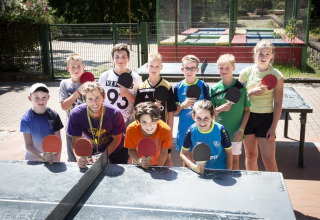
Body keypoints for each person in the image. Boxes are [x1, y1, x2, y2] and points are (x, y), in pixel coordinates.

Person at [239, 39, 284, 172]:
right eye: (260, 53)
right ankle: (253, 188)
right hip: (247, 117)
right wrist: (252, 92)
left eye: (267, 54)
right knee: (251, 156)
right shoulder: (246, 73)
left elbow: (278, 103)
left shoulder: (277, 75)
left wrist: (273, 127)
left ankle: (275, 190)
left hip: (266, 119)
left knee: (269, 160)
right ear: (254, 53)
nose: (263, 57)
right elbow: (236, 97)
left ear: (272, 56)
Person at [67, 82, 128, 168]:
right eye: (90, 99)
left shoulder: (115, 114)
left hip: (117, 149)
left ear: (103, 98)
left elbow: (117, 140)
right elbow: (76, 142)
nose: (94, 102)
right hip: (95, 149)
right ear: (85, 100)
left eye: (97, 97)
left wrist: (104, 157)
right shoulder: (76, 114)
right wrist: (79, 157)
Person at [134, 52, 177, 166]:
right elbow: (137, 111)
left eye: (157, 66)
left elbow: (171, 111)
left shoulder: (167, 86)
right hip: (146, 129)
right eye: (151, 66)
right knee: (147, 156)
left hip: (162, 129)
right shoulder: (141, 87)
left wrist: (170, 131)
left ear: (161, 67)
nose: (154, 68)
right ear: (147, 66)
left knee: (167, 157)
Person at [210, 54, 251, 170]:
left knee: (235, 162)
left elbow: (247, 111)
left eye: (227, 68)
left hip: (236, 133)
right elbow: (210, 114)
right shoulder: (214, 89)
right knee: (220, 160)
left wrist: (241, 129)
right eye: (221, 68)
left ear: (233, 68)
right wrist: (220, 108)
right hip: (219, 132)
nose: (224, 71)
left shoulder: (241, 88)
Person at [180, 100, 232, 173]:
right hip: (201, 171)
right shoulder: (191, 131)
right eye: (199, 118)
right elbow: (183, 153)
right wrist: (194, 167)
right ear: (193, 117)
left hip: (220, 171)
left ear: (212, 117)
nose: (202, 122)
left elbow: (229, 153)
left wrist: (228, 172)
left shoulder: (221, 130)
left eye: (206, 118)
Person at [173, 55, 210, 154]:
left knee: (198, 158)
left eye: (192, 68)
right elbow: (174, 111)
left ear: (197, 69)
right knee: (185, 159)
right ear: (182, 69)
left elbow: (210, 110)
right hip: (184, 128)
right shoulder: (177, 87)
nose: (189, 71)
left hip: (200, 128)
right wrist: (183, 105)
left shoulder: (204, 86)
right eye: (187, 68)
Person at [99, 43, 142, 127]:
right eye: (117, 56)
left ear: (129, 59)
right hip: (108, 120)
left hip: (129, 121)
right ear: (112, 59)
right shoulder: (104, 76)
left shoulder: (136, 78)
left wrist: (127, 94)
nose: (120, 60)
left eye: (123, 56)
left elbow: (140, 102)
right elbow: (99, 99)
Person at [20, 83, 64, 163]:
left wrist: (57, 160)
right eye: (37, 97)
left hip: (51, 158)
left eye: (44, 97)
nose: (41, 100)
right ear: (30, 98)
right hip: (32, 159)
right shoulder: (26, 119)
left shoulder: (54, 115)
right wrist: (43, 156)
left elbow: (58, 141)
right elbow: (28, 145)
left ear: (48, 97)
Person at [124, 102, 172, 169]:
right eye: (144, 122)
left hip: (158, 164)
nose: (149, 126)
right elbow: (131, 150)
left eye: (152, 121)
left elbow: (164, 152)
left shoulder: (165, 129)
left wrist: (158, 169)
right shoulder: (131, 129)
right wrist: (140, 161)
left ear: (158, 119)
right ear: (138, 121)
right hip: (138, 163)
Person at [59, 53, 86, 162]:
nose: (76, 69)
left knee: (88, 154)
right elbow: (64, 106)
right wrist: (78, 91)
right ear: (67, 69)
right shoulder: (64, 84)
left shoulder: (89, 83)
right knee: (72, 157)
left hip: (88, 127)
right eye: (73, 67)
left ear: (83, 68)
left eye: (79, 66)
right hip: (71, 126)